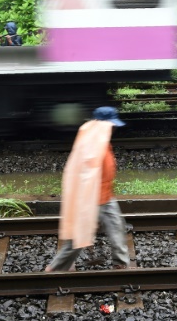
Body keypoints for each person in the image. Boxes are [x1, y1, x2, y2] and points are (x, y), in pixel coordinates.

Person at [45, 107, 130, 272]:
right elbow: (84, 172)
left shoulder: (101, 140)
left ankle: (121, 265)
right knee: (78, 238)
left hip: (105, 195)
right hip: (91, 198)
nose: (113, 129)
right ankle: (54, 270)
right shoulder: (91, 142)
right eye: (111, 125)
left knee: (117, 227)